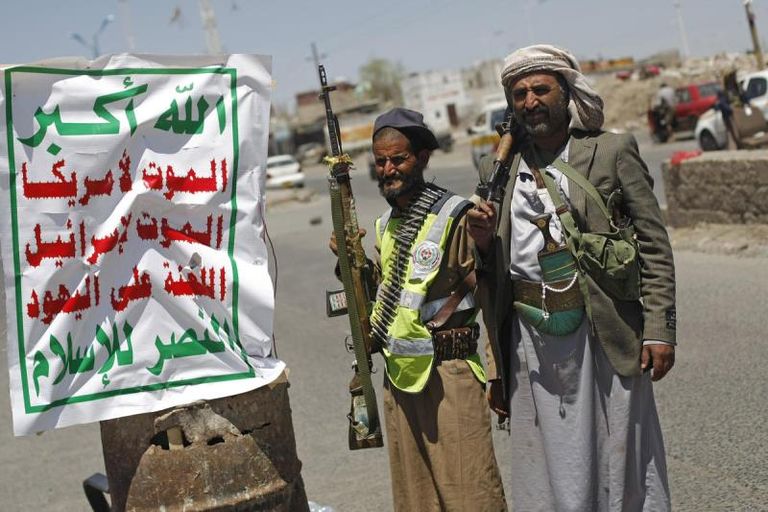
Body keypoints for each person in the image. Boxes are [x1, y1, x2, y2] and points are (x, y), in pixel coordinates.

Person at [467, 45, 676, 511]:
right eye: (519, 93)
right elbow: (491, 270)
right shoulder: (497, 168)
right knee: (551, 460)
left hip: (603, 327)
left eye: (540, 89)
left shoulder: (611, 152)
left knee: (622, 453)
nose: (530, 101)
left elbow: (654, 244)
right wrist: (481, 241)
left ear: (565, 93)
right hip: (532, 338)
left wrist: (660, 329)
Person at [330, 108, 506, 512]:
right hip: (399, 379)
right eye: (380, 162)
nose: (388, 170)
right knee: (416, 499)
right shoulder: (385, 225)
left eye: (398, 159)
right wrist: (350, 262)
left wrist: (497, 372)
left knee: (471, 495)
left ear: (423, 158)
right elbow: (385, 301)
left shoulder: (456, 216)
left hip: (450, 375)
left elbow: (491, 291)